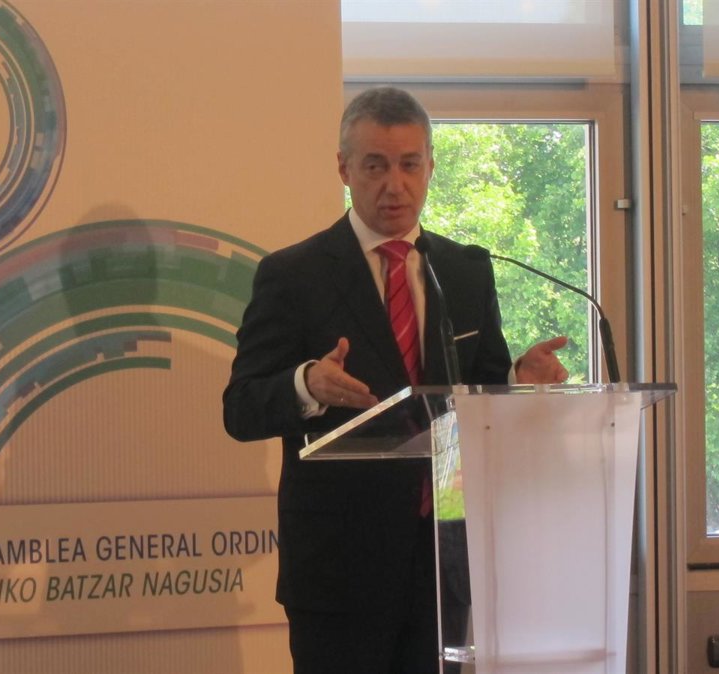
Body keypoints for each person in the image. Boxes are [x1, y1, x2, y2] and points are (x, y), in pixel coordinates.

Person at [222, 86, 568, 674]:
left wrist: (517, 379)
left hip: (446, 558)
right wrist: (306, 385)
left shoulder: (464, 270)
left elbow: (479, 391)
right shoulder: (294, 274)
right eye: (375, 166)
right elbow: (241, 407)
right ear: (344, 169)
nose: (395, 185)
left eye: (410, 165)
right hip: (340, 570)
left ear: (431, 167)